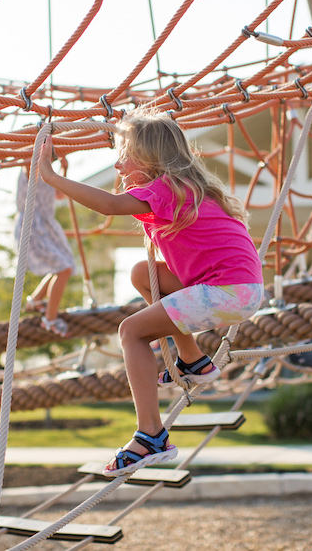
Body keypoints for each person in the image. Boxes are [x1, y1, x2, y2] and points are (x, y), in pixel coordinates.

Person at [39, 110, 265, 476]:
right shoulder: (190, 188)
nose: (118, 165)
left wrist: (50, 176)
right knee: (143, 273)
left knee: (131, 332)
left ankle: (151, 436)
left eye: (125, 155)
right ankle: (192, 361)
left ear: (149, 158)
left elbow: (109, 206)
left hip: (227, 291)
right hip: (237, 288)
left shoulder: (166, 188)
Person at [14, 163, 76, 336]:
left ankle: (35, 300)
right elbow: (30, 158)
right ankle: (49, 319)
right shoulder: (32, 167)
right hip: (32, 226)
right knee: (63, 268)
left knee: (65, 266)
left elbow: (60, 195)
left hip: (46, 227)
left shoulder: (47, 170)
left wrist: (63, 169)